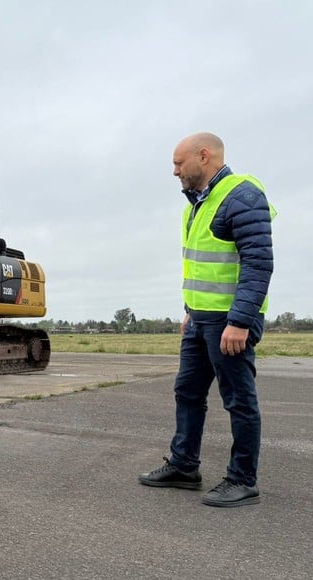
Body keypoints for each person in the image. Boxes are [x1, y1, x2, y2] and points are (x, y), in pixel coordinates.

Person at [138, 132, 276, 508]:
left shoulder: (241, 195)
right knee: (187, 392)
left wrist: (241, 320)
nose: (174, 171)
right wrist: (189, 310)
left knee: (239, 401)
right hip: (200, 320)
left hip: (229, 321)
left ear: (204, 156)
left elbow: (258, 263)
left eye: (179, 163)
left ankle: (243, 480)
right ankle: (184, 465)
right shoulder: (198, 204)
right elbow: (203, 264)